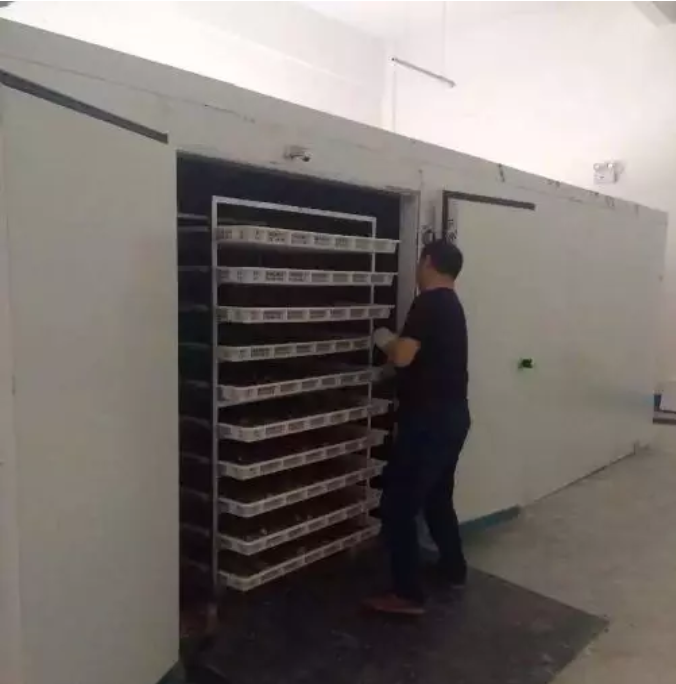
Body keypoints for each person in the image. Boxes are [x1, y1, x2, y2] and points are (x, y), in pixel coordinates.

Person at [365, 238, 471, 616]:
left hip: (428, 423)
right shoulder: (453, 306)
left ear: (427, 262)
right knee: (437, 497)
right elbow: (428, 361)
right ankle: (453, 569)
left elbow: (404, 356)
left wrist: (382, 338)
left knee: (397, 505)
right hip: (454, 418)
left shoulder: (428, 303)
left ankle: (407, 595)